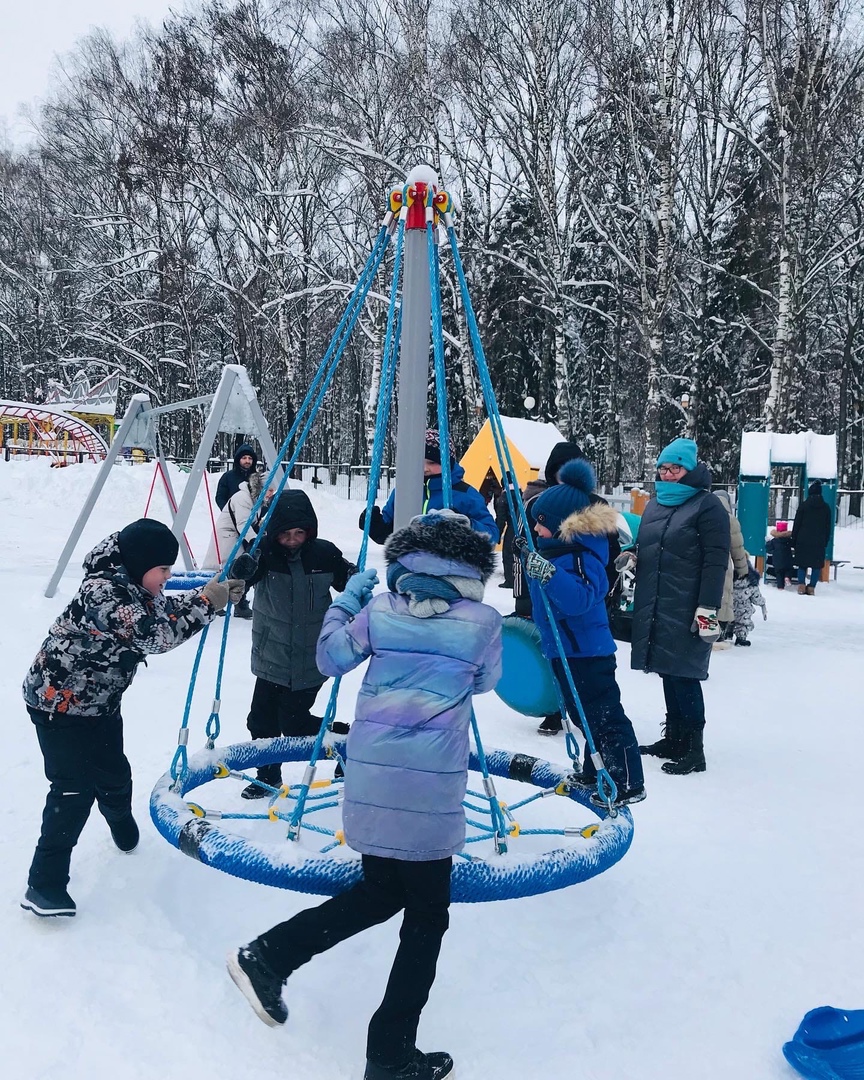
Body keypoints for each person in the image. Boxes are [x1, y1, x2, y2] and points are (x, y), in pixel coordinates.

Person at [227, 510, 502, 1080]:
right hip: (429, 789)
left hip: (373, 778)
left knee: (381, 891)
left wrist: (347, 602)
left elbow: (330, 658)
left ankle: (270, 956)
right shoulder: (481, 622)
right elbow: (484, 681)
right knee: (426, 915)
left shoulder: (379, 611)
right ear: (470, 567)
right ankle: (390, 1052)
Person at [21, 519, 244, 917]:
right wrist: (207, 602)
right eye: (163, 570)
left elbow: (166, 611)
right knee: (73, 790)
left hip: (100, 702)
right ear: (142, 564)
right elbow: (155, 635)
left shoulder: (135, 583)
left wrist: (213, 594)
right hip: (57, 705)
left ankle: (120, 824)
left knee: (114, 774)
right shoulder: (103, 592)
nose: (167, 578)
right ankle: (44, 884)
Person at [524, 459, 645, 805]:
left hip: (588, 652)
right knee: (582, 714)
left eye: (541, 525)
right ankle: (597, 768)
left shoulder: (583, 557)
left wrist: (547, 574)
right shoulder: (558, 551)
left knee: (603, 715)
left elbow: (579, 599)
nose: (536, 531)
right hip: (565, 649)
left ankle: (627, 779)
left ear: (565, 527)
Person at [238, 489, 358, 799]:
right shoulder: (262, 553)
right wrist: (241, 571)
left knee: (293, 723)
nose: (292, 539)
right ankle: (268, 776)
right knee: (260, 720)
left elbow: (349, 584)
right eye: (285, 534)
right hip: (271, 653)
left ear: (310, 531)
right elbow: (240, 585)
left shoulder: (324, 554)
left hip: (312, 656)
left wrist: (356, 579)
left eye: (299, 533)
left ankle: (344, 739)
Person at [629, 438, 731, 776]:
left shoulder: (707, 506)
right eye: (663, 467)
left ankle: (694, 749)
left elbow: (716, 560)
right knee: (667, 670)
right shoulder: (656, 504)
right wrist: (631, 551)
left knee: (686, 673)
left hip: (688, 603)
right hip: (657, 600)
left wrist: (707, 607)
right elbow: (646, 542)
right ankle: (673, 738)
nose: (668, 474)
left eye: (675, 468)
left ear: (689, 469)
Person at [512, 441, 621, 737]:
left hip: (582, 626)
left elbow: (591, 575)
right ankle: (558, 713)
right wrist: (528, 569)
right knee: (580, 704)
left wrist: (608, 590)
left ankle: (621, 777)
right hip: (553, 611)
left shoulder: (589, 518)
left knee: (599, 714)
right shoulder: (540, 503)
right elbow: (531, 545)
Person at [359, 429, 499, 545]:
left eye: (432, 463)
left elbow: (492, 535)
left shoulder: (465, 494)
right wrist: (376, 526)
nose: (425, 468)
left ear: (447, 463)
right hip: (409, 567)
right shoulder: (403, 491)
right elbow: (391, 529)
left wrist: (466, 526)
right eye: (420, 461)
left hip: (451, 569)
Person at [203, 470, 273, 619]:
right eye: (270, 490)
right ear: (261, 487)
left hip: (238, 534)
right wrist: (255, 540)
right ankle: (217, 601)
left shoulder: (256, 499)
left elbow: (251, 521)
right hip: (229, 534)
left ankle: (233, 600)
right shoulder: (243, 498)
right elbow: (243, 523)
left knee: (241, 569)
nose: (270, 494)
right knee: (232, 569)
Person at [714, 490, 749, 642]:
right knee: (724, 595)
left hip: (704, 563)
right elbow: (737, 548)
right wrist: (742, 570)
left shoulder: (702, 515)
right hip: (724, 563)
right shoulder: (731, 520)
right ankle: (720, 627)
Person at [791, 481, 832, 595]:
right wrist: (825, 541)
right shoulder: (826, 508)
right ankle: (811, 587)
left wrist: (793, 540)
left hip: (803, 540)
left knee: (802, 564)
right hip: (818, 541)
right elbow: (828, 527)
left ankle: (801, 585)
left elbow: (797, 524)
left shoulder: (804, 506)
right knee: (816, 565)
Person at [730, 562, 767, 646]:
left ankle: (725, 634)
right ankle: (741, 638)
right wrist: (763, 603)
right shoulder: (751, 584)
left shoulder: (729, 582)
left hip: (730, 606)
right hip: (744, 609)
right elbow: (757, 598)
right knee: (743, 623)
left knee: (727, 620)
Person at [215, 442, 258, 511]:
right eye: (244, 458)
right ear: (239, 459)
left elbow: (264, 498)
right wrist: (228, 512)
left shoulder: (257, 478)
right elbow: (221, 497)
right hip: (232, 515)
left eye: (250, 458)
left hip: (253, 516)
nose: (247, 461)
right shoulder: (228, 477)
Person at [766, 520, 795, 588]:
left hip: (777, 560)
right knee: (789, 569)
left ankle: (780, 586)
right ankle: (787, 577)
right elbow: (794, 544)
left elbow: (768, 548)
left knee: (778, 573)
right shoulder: (788, 540)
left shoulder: (774, 540)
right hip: (788, 560)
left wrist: (768, 543)